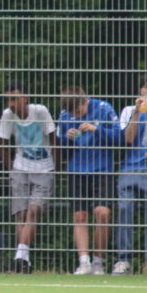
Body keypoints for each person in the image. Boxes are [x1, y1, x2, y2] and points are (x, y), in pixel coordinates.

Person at [0, 79, 58, 274]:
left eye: (14, 99)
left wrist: (55, 168)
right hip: (20, 167)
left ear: (25, 98)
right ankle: (24, 259)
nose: (11, 104)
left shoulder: (40, 111)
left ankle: (20, 256)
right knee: (20, 214)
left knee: (34, 210)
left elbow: (54, 139)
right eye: (8, 99)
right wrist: (12, 170)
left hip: (44, 168)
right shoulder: (7, 115)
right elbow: (0, 144)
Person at [56, 85, 120, 275]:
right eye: (72, 114)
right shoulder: (64, 115)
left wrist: (96, 129)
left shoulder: (104, 108)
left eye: (78, 111)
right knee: (79, 216)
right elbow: (60, 147)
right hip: (76, 170)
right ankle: (84, 262)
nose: (76, 116)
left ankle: (99, 262)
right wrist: (66, 138)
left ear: (85, 101)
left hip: (102, 169)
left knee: (102, 213)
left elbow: (120, 138)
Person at [112, 74, 147, 276]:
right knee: (124, 208)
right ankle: (123, 260)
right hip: (130, 167)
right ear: (140, 90)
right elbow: (127, 139)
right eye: (146, 86)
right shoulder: (129, 110)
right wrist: (137, 113)